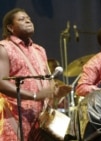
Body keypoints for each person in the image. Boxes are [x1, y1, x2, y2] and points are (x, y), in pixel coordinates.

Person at [0, 8, 71, 141]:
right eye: (21, 19)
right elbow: (1, 82)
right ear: (10, 27)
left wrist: (55, 93)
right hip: (15, 118)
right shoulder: (3, 47)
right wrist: (34, 96)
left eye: (29, 19)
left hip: (41, 120)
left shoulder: (39, 50)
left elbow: (48, 80)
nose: (28, 21)